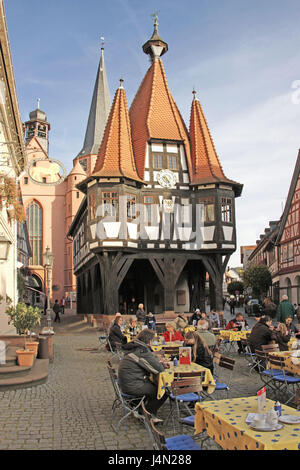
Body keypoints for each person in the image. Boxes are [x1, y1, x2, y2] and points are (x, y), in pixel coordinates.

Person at [118, 328, 168, 424]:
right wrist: (161, 363)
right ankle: (147, 414)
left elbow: (149, 363)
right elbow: (158, 369)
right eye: (153, 340)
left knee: (154, 385)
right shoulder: (142, 351)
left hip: (126, 382)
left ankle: (141, 409)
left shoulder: (135, 346)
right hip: (132, 385)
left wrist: (157, 361)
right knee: (163, 391)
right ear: (149, 341)